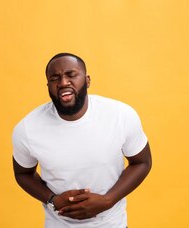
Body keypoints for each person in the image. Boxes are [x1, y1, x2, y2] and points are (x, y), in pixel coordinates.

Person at [12, 53, 152, 227]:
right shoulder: (27, 128)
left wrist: (108, 200)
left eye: (71, 75)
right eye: (55, 78)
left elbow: (142, 162)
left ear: (87, 80)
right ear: (48, 85)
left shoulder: (121, 115)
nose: (63, 82)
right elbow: (23, 173)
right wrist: (52, 200)